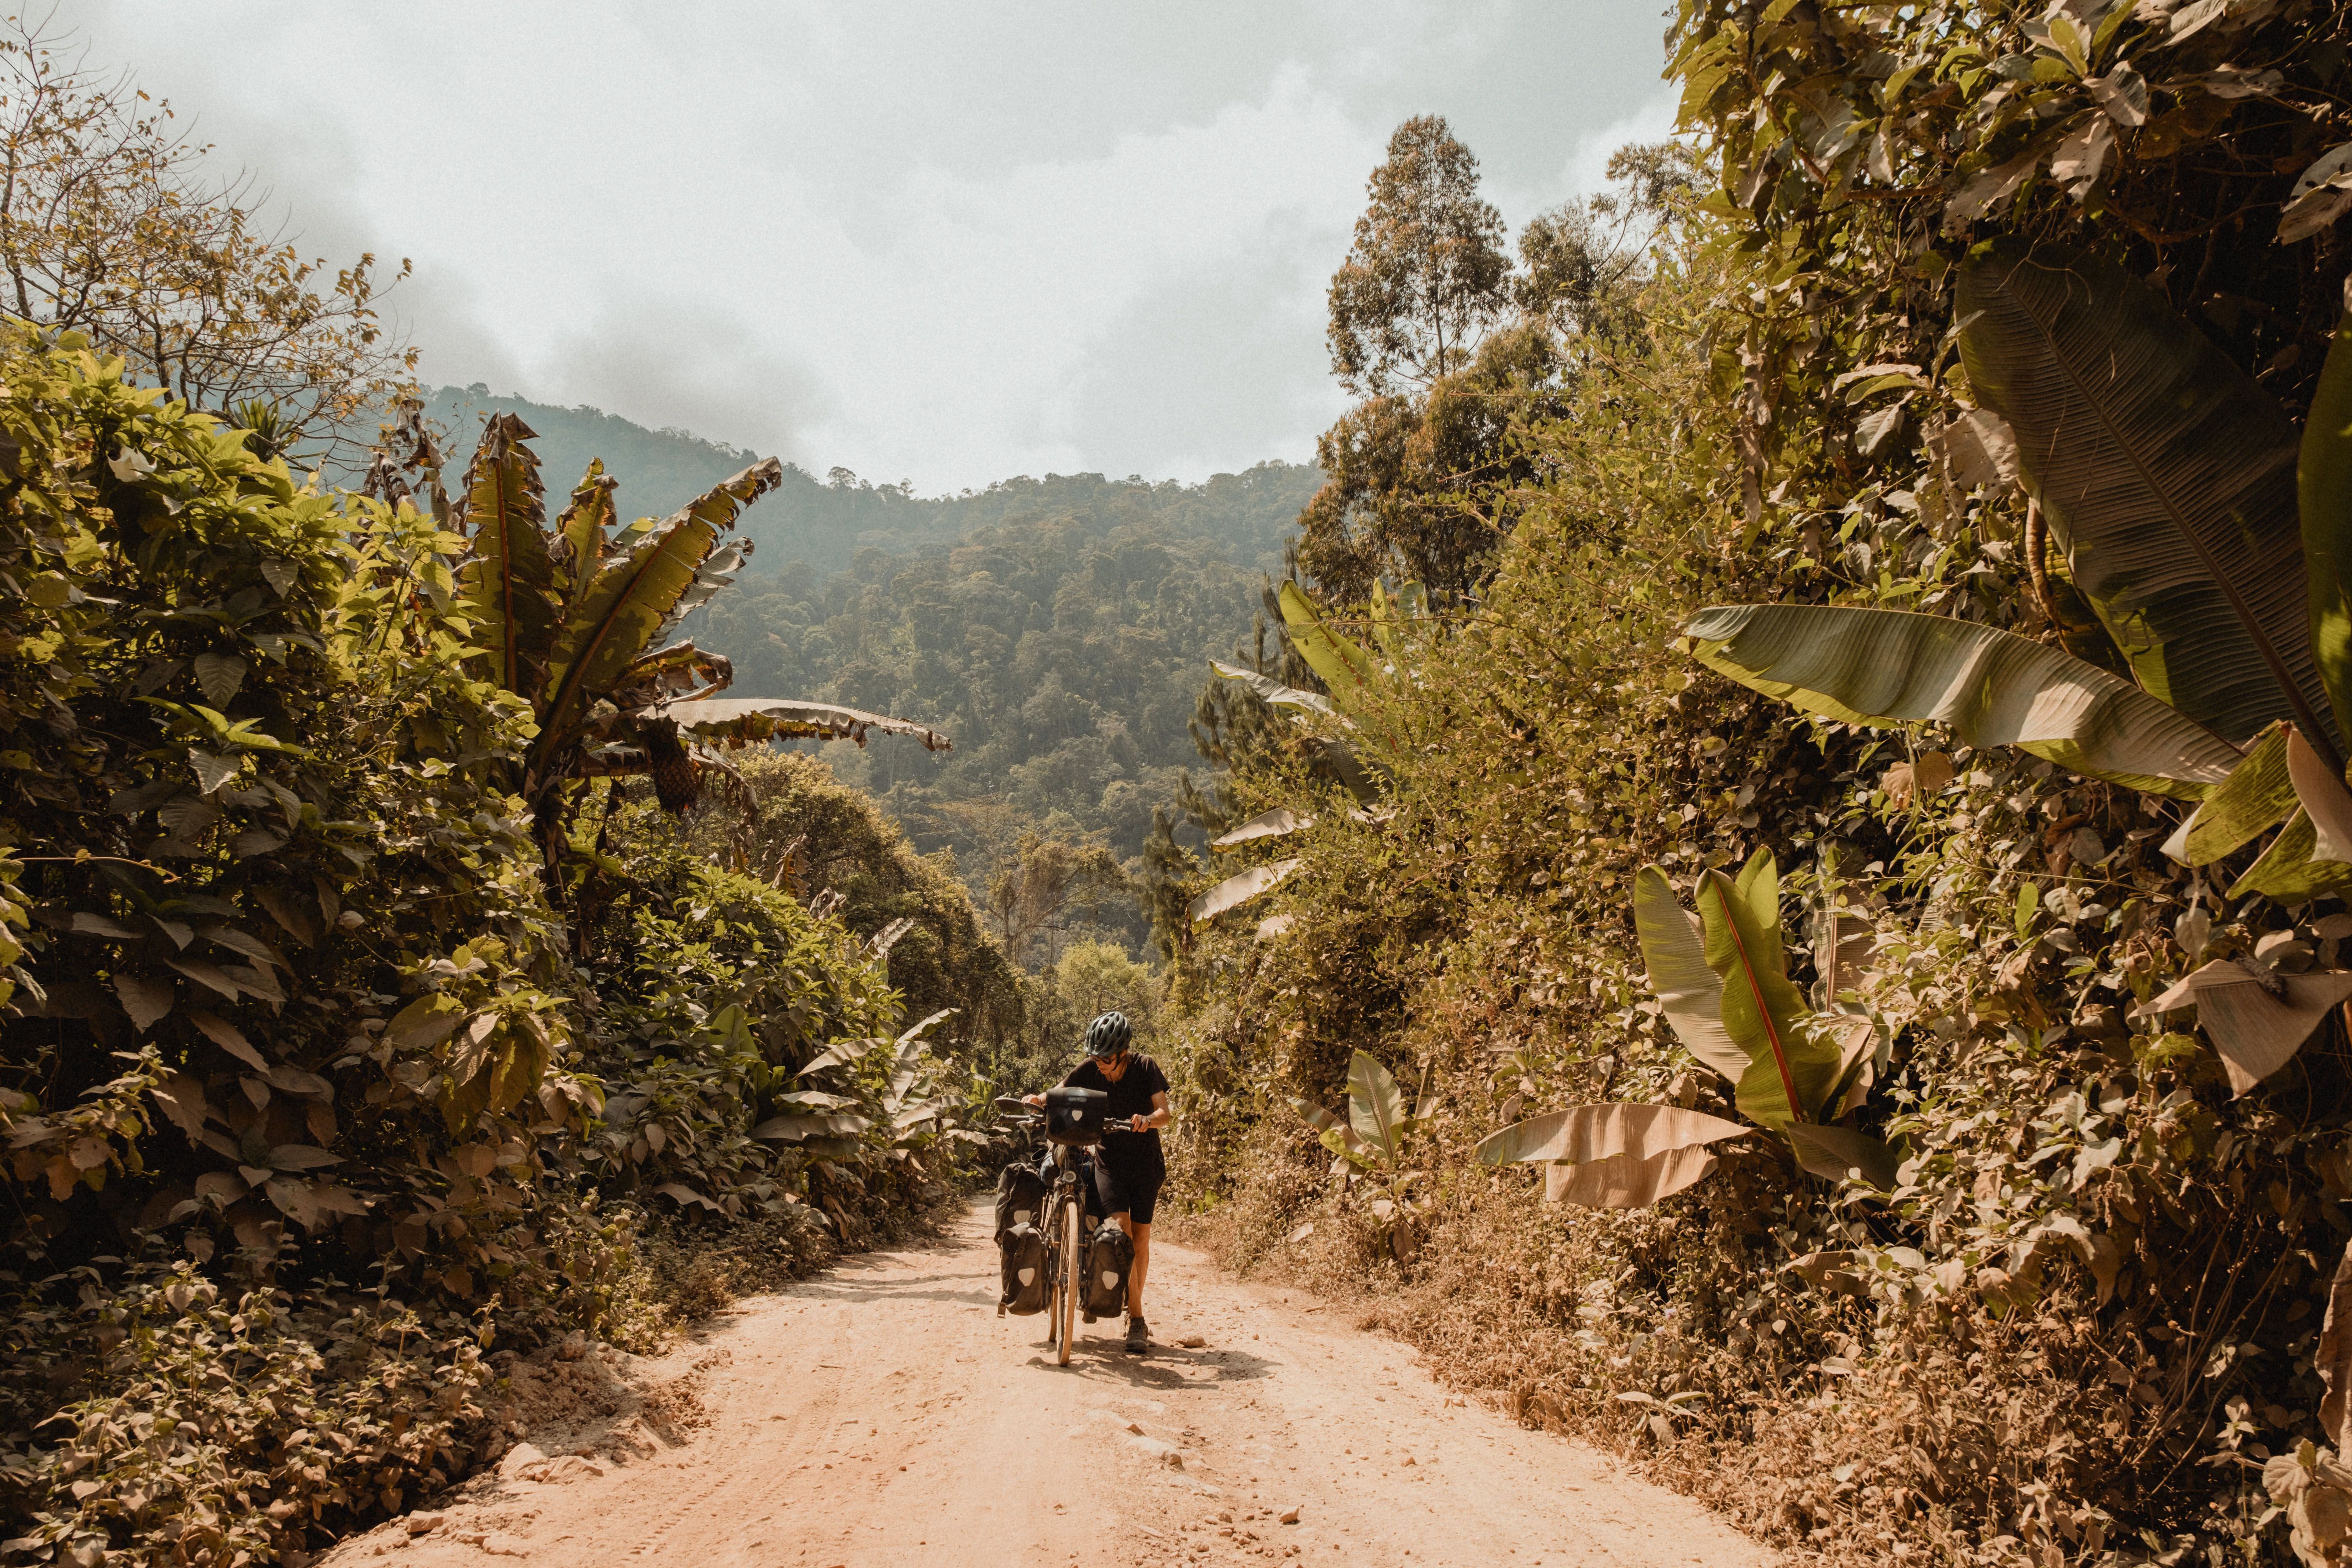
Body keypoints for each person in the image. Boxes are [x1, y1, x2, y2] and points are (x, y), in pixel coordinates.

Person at [1023, 1011, 1169, 1352]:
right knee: (1122, 1233)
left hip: (1146, 1165)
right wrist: (1038, 1099)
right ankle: (1130, 1312)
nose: (1099, 1065)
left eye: (1106, 1059)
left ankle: (1134, 1317)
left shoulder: (1146, 1067)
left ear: (1123, 1053)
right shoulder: (1091, 1069)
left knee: (1143, 1241)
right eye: (1095, 1058)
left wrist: (1147, 1120)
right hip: (1110, 1164)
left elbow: (1165, 1113)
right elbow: (1059, 1090)